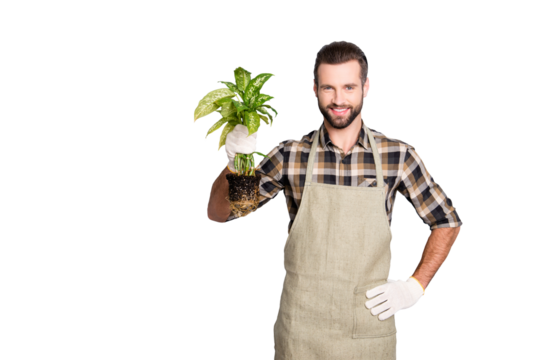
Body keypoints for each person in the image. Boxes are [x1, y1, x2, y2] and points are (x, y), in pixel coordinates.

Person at [206, 39, 462, 359]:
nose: (339, 99)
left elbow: (447, 221)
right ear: (314, 89)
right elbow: (220, 213)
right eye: (328, 88)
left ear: (366, 87)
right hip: (300, 334)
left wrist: (414, 287)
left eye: (349, 87)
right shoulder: (290, 154)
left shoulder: (398, 155)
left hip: (368, 331)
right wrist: (235, 163)